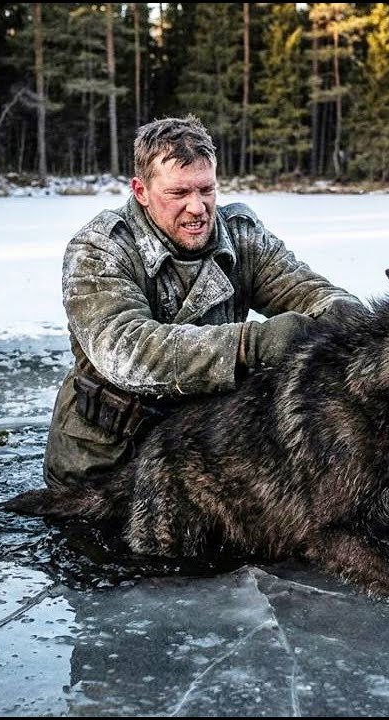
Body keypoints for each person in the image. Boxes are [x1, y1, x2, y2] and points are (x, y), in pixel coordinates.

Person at [44, 115, 363, 487]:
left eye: (206, 190)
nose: (197, 207)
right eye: (179, 193)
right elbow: (129, 353)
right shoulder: (100, 250)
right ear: (141, 191)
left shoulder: (241, 238)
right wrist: (250, 345)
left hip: (198, 457)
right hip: (102, 464)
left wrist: (354, 323)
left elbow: (310, 292)